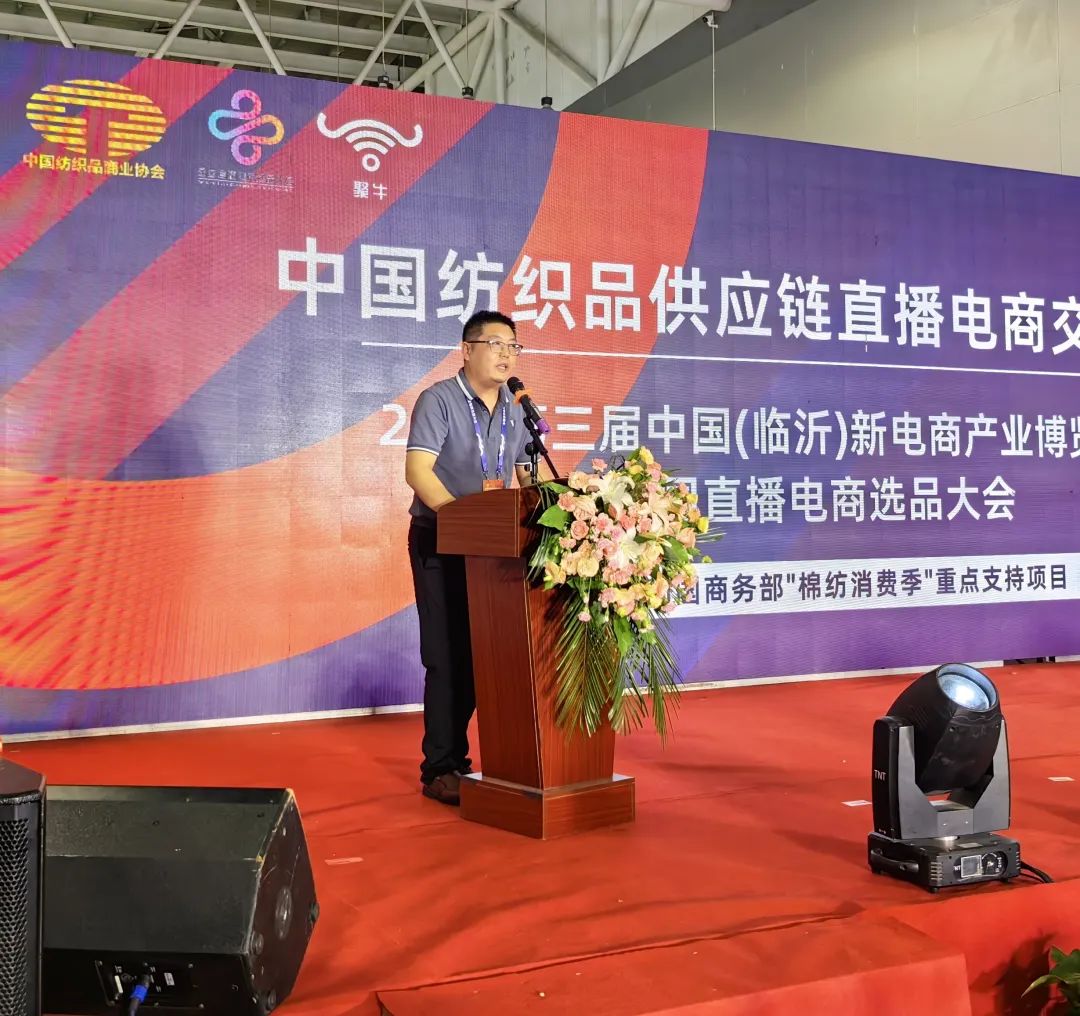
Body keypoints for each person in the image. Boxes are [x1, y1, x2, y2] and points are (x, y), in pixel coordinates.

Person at [404, 310, 534, 805]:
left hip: (494, 547)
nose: (506, 355)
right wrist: (461, 520)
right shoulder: (439, 400)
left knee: (483, 656)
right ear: (467, 350)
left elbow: (527, 476)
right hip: (440, 541)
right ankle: (440, 768)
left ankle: (464, 761)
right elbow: (418, 471)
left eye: (513, 346)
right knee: (446, 656)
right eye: (496, 344)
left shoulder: (517, 409)